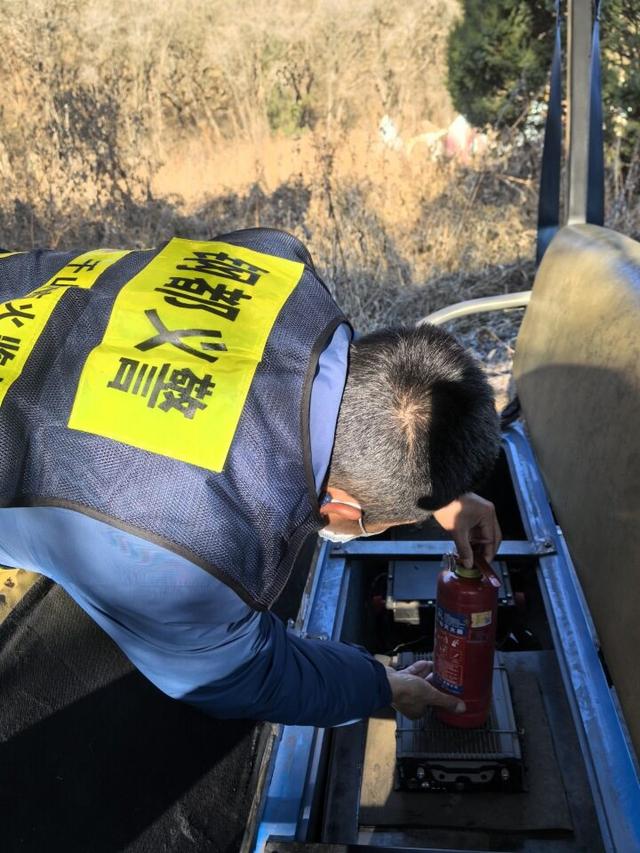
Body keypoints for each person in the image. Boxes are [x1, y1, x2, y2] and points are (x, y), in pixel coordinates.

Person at [0, 228, 501, 727]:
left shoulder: (280, 264)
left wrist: (431, 489)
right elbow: (246, 677)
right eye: (377, 524)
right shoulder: (186, 552)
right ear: (343, 511)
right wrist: (383, 685)